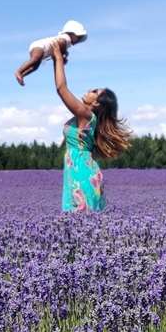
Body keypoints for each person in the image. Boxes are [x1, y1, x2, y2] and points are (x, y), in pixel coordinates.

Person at [50, 39, 131, 212]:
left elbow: (61, 89)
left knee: (78, 221)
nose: (90, 89)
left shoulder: (86, 116)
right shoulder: (83, 117)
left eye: (95, 92)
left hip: (82, 175)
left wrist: (57, 58)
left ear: (96, 104)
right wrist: (57, 62)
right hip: (80, 171)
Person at [16, 19, 88, 85]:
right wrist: (63, 54)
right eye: (78, 37)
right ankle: (19, 71)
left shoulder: (67, 42)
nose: (78, 40)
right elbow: (61, 42)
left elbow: (61, 48)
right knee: (35, 59)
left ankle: (22, 75)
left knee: (35, 67)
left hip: (43, 51)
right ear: (71, 34)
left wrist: (63, 55)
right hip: (40, 46)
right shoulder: (66, 37)